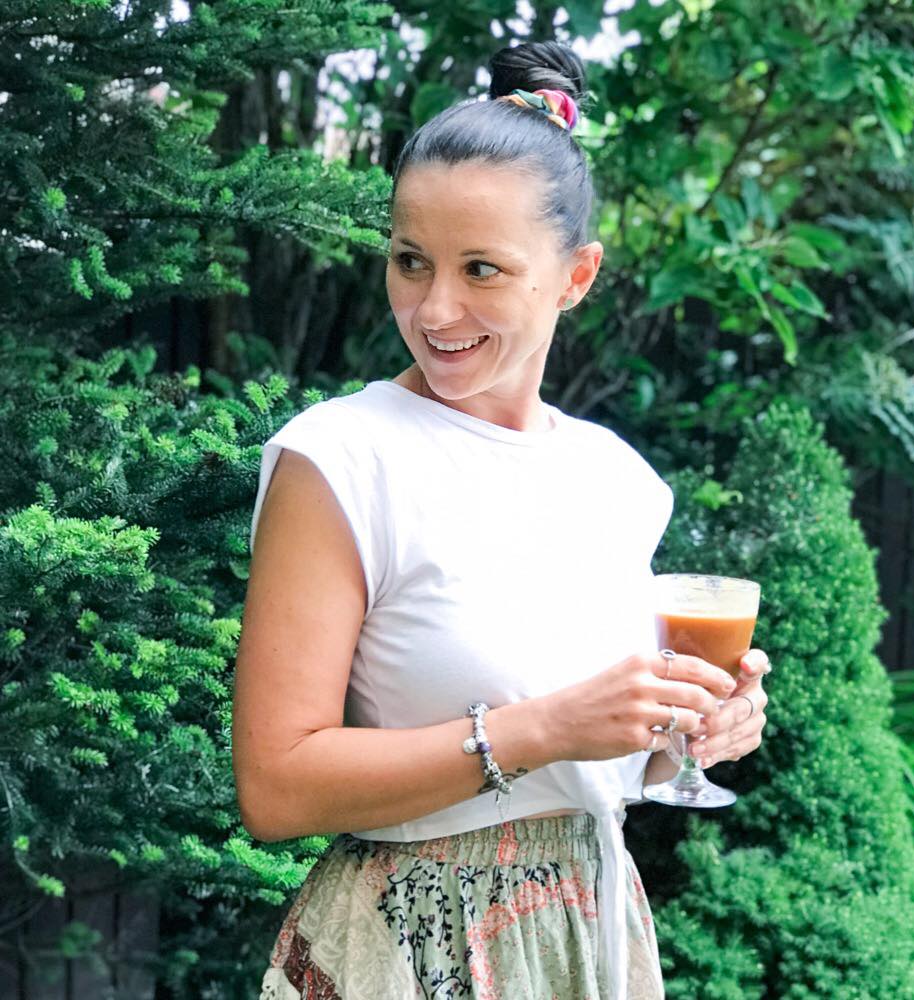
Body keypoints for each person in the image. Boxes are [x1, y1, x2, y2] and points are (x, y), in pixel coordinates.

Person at [233, 39, 770, 1000]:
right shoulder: (340, 460)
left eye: (481, 269)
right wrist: (543, 727)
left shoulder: (617, 479)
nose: (435, 308)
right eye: (411, 261)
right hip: (410, 947)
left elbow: (597, 767)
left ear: (576, 276)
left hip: (588, 931)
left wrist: (684, 737)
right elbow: (276, 785)